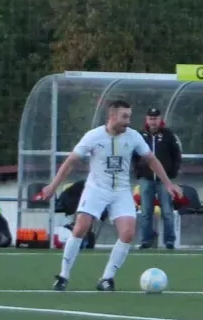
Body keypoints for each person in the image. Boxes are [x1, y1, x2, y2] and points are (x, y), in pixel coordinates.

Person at [40, 99, 183, 291]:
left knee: (128, 233)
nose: (128, 121)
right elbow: (71, 161)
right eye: (124, 117)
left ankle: (107, 278)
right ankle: (64, 275)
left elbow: (151, 159)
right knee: (81, 228)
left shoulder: (133, 137)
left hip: (121, 191)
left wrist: (168, 183)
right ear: (112, 116)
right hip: (96, 189)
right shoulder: (93, 136)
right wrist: (52, 186)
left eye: (129, 117)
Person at [136, 107, 183, 250]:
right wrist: (138, 171)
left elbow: (177, 155)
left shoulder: (168, 135)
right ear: (146, 120)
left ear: (160, 119)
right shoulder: (140, 136)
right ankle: (146, 240)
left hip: (164, 180)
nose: (153, 121)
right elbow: (134, 155)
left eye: (156, 118)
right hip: (146, 179)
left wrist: (171, 174)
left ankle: (169, 241)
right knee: (146, 212)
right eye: (150, 118)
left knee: (167, 211)